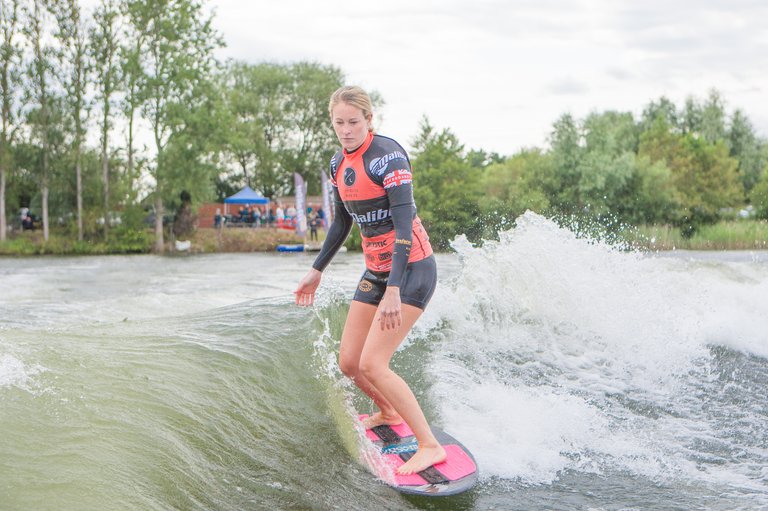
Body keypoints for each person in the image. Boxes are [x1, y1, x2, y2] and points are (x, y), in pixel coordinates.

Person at [294, 85, 444, 476]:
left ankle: (429, 445)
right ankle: (387, 410)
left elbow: (403, 225)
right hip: (376, 270)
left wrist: (394, 288)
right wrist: (317, 269)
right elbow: (343, 220)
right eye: (339, 123)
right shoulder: (336, 165)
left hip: (411, 269)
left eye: (353, 122)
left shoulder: (387, 157)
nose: (346, 130)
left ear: (369, 120)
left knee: (374, 364)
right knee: (349, 363)